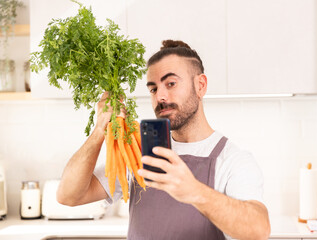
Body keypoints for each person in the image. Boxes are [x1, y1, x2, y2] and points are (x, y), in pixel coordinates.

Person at [57, 40, 271, 240]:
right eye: (153, 88)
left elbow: (259, 229)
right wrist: (99, 130)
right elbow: (69, 195)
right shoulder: (140, 152)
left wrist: (194, 191)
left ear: (201, 85)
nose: (160, 96)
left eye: (170, 84)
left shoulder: (233, 160)